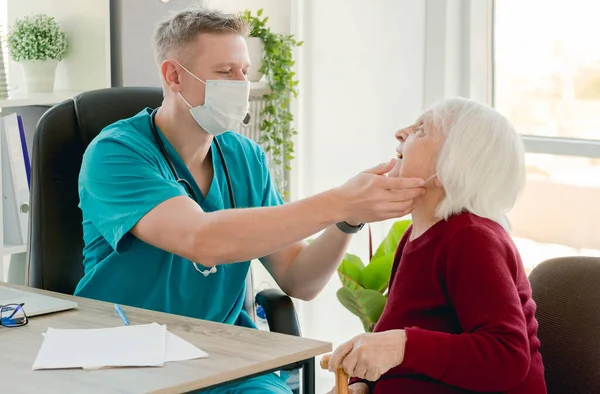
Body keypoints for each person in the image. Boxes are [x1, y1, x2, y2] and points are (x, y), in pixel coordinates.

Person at [74, 7, 426, 394]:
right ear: (173, 75)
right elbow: (202, 241)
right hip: (128, 361)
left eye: (244, 71)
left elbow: (299, 278)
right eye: (225, 73)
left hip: (227, 364)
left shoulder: (246, 158)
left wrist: (348, 219)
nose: (241, 84)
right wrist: (340, 201)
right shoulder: (116, 153)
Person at [328, 98, 547, 394]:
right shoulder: (414, 237)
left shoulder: (472, 238)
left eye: (421, 130)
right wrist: (362, 385)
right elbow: (392, 330)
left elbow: (507, 354)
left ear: (452, 164)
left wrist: (401, 346)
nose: (401, 132)